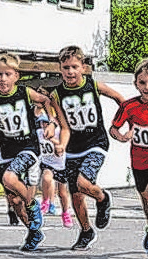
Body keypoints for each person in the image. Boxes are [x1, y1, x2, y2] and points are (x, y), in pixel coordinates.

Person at [0, 52, 69, 252]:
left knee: (9, 178)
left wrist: (51, 122)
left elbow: (47, 100)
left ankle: (33, 206)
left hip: (28, 147)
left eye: (7, 74)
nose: (3, 79)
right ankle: (33, 231)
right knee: (13, 200)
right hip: (7, 151)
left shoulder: (25, 92)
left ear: (16, 76)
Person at [49, 45, 124, 251]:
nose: (70, 72)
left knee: (83, 182)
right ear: (60, 69)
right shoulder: (57, 94)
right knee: (76, 194)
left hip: (96, 143)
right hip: (73, 147)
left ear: (83, 67)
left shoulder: (93, 85)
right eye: (66, 67)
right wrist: (57, 137)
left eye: (74, 67)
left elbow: (120, 99)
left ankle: (103, 197)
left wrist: (122, 122)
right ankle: (86, 231)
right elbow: (61, 123)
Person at [109, 58, 148, 253]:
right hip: (139, 160)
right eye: (142, 83)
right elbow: (113, 129)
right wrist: (123, 137)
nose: (147, 87)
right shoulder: (129, 106)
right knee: (146, 198)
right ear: (136, 84)